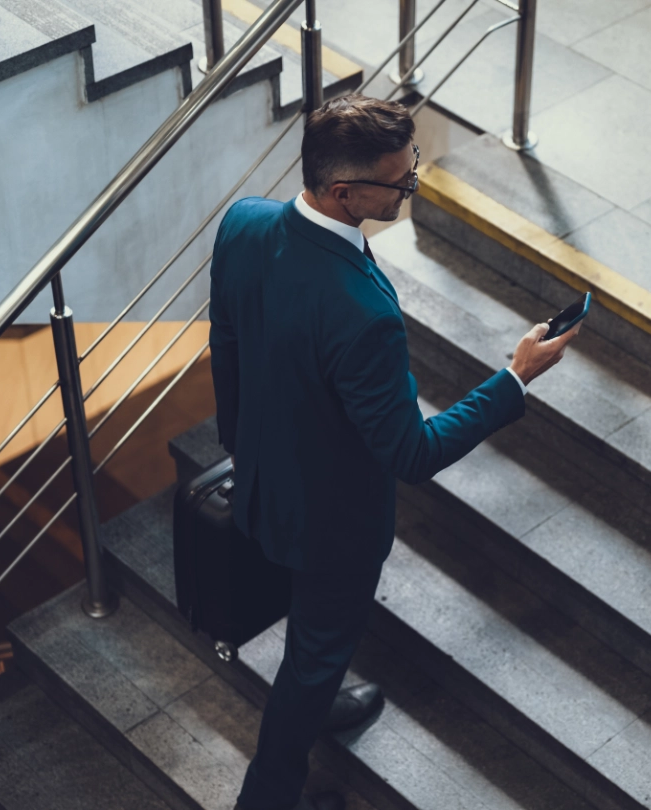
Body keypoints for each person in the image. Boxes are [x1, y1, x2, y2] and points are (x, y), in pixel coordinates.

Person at [208, 94, 579, 810]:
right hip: (332, 530)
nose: (411, 185)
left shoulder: (244, 225)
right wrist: (515, 377)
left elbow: (225, 348)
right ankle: (269, 791)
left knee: (311, 643)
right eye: (401, 181)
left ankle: (315, 695)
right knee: (314, 654)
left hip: (262, 483)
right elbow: (412, 452)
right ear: (345, 193)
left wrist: (240, 443)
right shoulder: (361, 312)